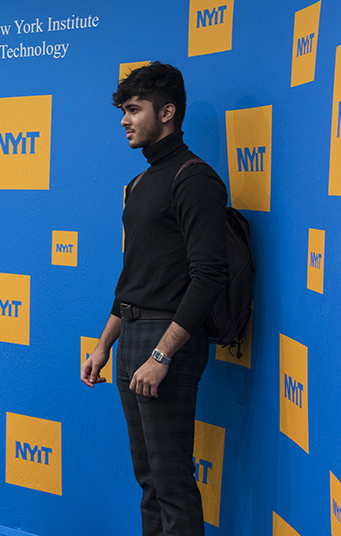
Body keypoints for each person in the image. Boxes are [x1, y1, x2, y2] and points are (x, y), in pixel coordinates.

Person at [80, 62, 228, 535]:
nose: (124, 120)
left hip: (168, 341)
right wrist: (105, 344)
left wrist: (163, 353)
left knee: (171, 481)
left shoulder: (194, 178)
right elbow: (135, 275)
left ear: (167, 112)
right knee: (149, 480)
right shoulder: (140, 183)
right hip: (132, 341)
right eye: (123, 110)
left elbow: (209, 276)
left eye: (134, 109)